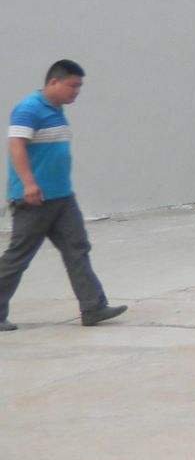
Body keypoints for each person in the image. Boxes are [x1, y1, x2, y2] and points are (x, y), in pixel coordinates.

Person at [0, 60, 125, 330]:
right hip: (34, 199)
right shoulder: (29, 108)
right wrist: (29, 184)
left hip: (62, 198)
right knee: (18, 256)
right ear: (54, 82)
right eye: (72, 85)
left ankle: (93, 307)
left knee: (77, 249)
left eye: (79, 86)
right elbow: (16, 146)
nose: (76, 91)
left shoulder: (57, 110)